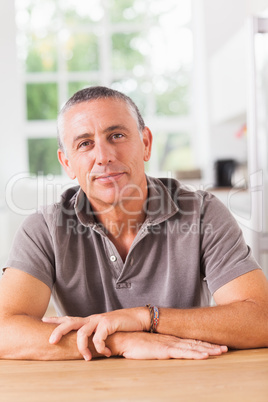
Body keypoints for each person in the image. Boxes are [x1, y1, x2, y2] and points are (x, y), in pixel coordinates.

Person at [0, 86, 268, 361]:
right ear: (67, 162)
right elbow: (4, 331)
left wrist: (145, 317)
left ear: (146, 143)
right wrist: (119, 340)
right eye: (85, 143)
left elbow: (261, 319)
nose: (103, 156)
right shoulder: (44, 228)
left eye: (116, 135)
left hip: (188, 382)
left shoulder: (202, 213)